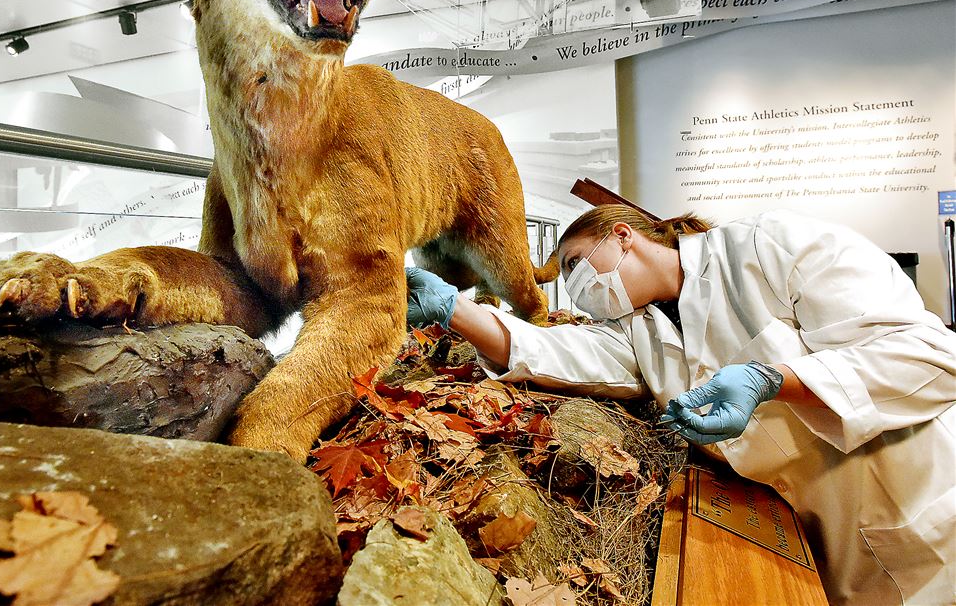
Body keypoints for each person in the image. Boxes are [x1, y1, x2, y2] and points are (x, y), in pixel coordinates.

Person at [405, 205, 955, 606]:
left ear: (621, 236)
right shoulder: (638, 329)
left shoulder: (771, 247)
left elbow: (930, 356)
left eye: (574, 263)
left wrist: (774, 379)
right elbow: (556, 351)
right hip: (829, 544)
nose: (574, 286)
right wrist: (453, 309)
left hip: (923, 508)